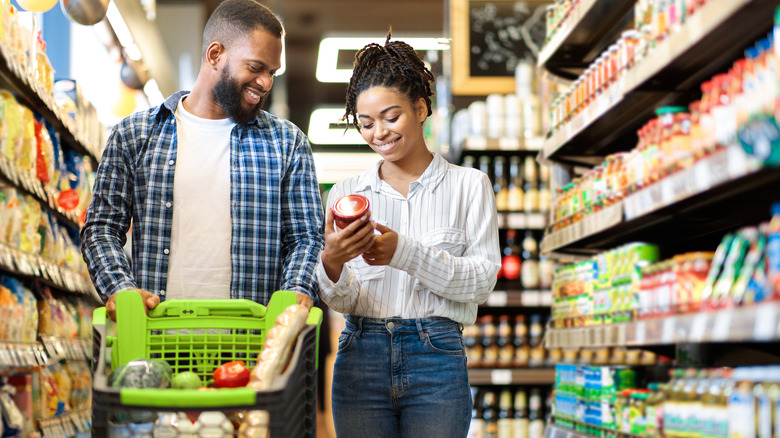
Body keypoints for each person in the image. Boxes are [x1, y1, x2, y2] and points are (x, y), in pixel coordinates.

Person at [80, 0, 324, 321]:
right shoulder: (134, 135)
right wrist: (120, 288)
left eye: (271, 72)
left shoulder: (287, 143)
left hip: (254, 346)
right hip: (155, 339)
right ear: (214, 55)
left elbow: (306, 238)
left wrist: (296, 290)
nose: (265, 83)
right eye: (255, 67)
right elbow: (101, 228)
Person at [318, 32, 501, 438]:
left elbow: (483, 280)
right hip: (359, 354)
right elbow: (344, 299)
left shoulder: (470, 185)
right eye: (365, 123)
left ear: (420, 108)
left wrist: (404, 252)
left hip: (437, 357)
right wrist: (330, 264)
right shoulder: (346, 194)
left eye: (391, 116)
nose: (378, 133)